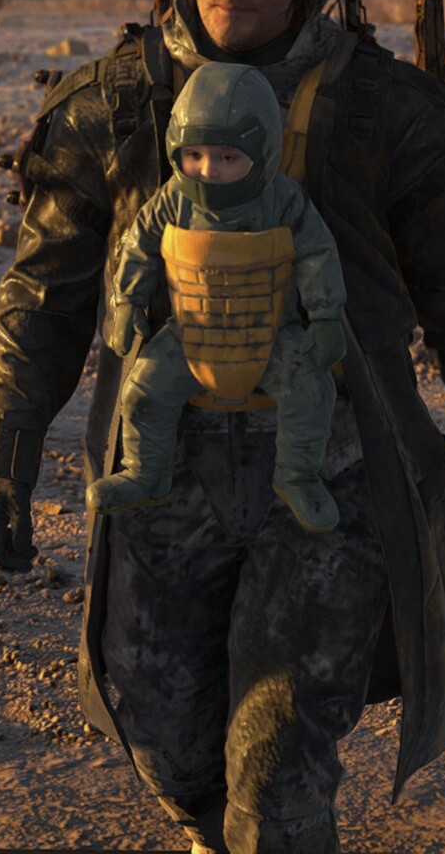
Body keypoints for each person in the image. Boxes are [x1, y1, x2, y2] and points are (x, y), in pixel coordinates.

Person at [0, 0, 445, 854]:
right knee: (168, 741)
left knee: (277, 772)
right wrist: (2, 457)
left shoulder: (385, 111)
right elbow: (43, 301)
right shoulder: (113, 107)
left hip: (330, 481)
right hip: (161, 485)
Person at [92, 61, 351, 533]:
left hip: (270, 335)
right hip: (189, 334)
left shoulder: (284, 200)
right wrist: (127, 302)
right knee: (143, 393)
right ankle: (144, 474)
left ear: (263, 151)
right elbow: (139, 245)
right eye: (194, 155)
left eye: (228, 157)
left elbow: (317, 252)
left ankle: (297, 477)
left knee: (311, 390)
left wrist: (326, 317)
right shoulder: (172, 200)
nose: (208, 170)